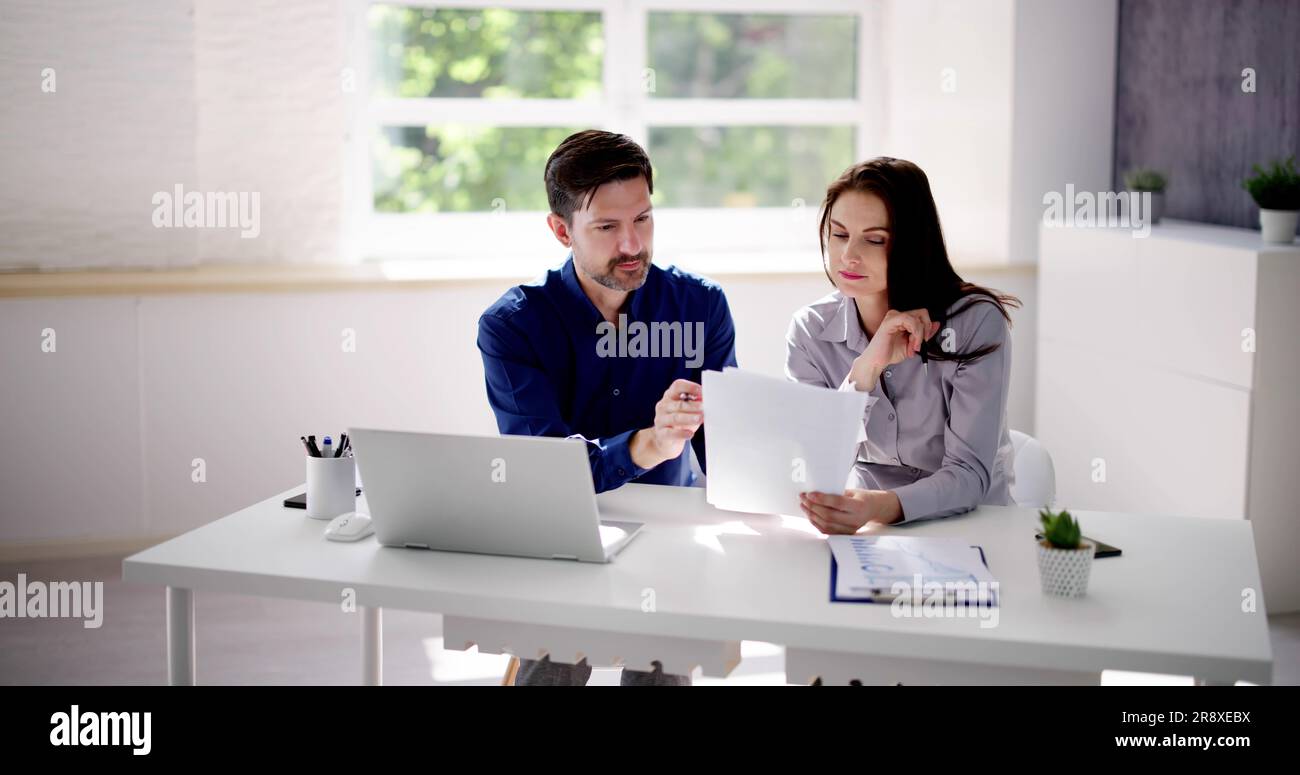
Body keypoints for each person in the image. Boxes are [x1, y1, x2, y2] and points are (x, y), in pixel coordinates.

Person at [477, 130, 737, 685]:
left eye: (642, 219)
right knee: (554, 664)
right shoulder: (513, 326)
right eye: (606, 227)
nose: (632, 245)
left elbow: (729, 452)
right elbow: (548, 470)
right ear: (560, 229)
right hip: (564, 533)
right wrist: (648, 444)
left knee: (661, 667)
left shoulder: (701, 306)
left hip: (669, 532)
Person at [786, 157, 1021, 532]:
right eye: (840, 234)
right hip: (870, 530)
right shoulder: (810, 331)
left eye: (875, 240)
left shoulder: (977, 323)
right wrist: (863, 372)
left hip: (974, 525)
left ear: (912, 244)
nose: (849, 255)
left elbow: (969, 475)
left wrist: (880, 507)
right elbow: (815, 466)